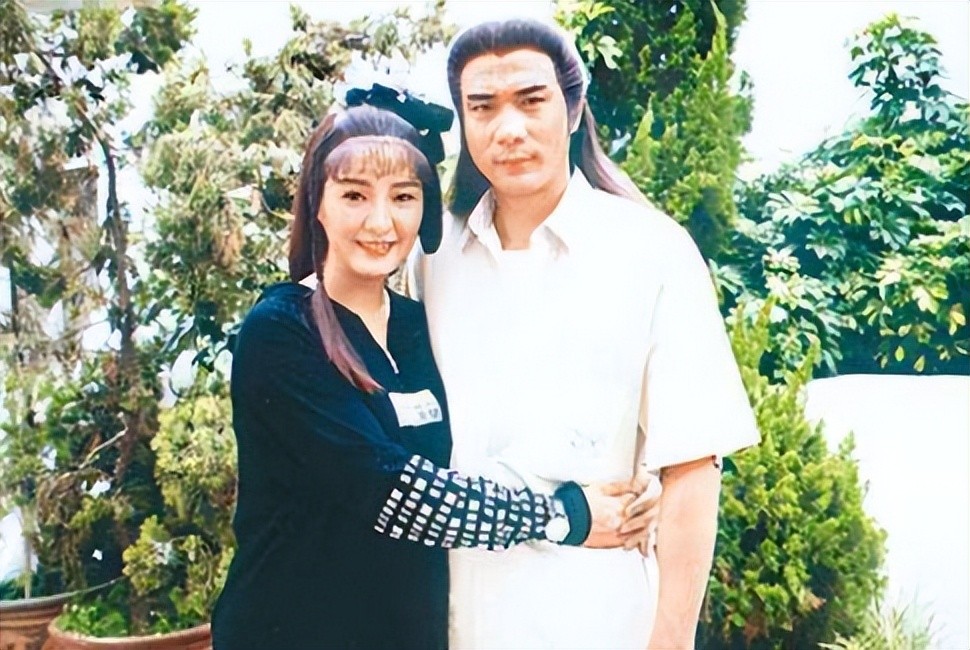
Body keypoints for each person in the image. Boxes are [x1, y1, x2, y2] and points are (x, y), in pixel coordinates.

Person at [210, 103, 656, 649]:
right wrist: (564, 517)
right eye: (354, 196)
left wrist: (632, 477)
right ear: (316, 204)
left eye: (403, 197)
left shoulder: (420, 327)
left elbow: (504, 420)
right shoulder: (282, 330)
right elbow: (389, 489)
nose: (381, 222)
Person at [410, 19, 761, 649]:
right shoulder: (429, 257)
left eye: (531, 100)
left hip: (596, 623)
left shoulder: (651, 252)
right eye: (482, 107)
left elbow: (692, 466)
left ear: (573, 110)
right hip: (448, 623)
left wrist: (671, 640)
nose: (508, 129)